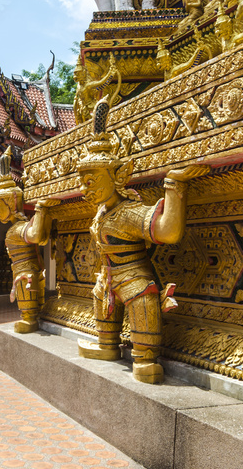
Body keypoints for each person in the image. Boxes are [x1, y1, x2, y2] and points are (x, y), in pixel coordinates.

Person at [77, 100, 207, 382]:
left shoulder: (128, 212)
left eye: (91, 181)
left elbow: (167, 232)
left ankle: (145, 356)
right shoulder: (102, 213)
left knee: (142, 297)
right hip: (109, 279)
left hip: (134, 279)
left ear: (118, 176)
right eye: (83, 182)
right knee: (100, 293)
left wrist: (173, 185)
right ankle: (107, 345)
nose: (84, 189)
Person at [0, 148, 58, 333]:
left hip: (26, 273)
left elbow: (37, 236)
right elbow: (41, 239)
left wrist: (40, 208)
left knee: (28, 299)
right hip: (29, 271)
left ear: (10, 204)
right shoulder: (18, 227)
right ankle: (30, 316)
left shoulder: (17, 229)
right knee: (30, 297)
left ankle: (29, 318)